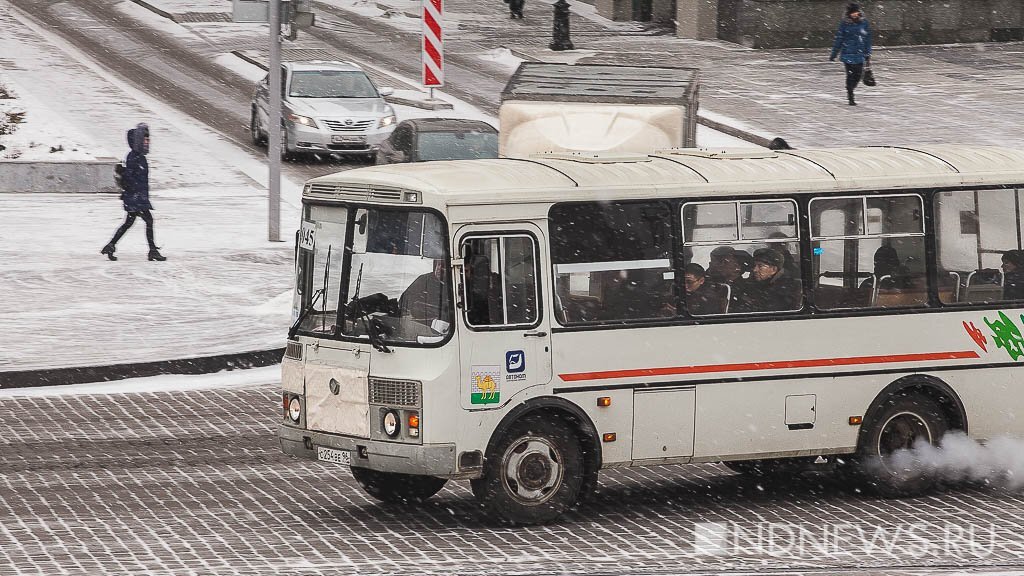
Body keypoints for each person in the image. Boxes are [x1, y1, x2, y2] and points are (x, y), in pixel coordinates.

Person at [101, 123, 166, 261]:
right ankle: (152, 251)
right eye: (145, 140)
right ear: (139, 140)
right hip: (135, 198)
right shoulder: (134, 157)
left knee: (129, 223)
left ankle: (111, 245)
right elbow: (130, 179)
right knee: (147, 221)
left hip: (138, 197)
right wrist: (134, 194)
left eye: (148, 140)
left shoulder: (139, 157)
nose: (147, 142)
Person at [732, 248, 802, 313]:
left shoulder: (788, 288)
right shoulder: (755, 281)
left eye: (760, 266)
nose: (755, 270)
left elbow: (769, 310)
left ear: (773, 270)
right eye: (754, 265)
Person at [829, 3, 872, 106]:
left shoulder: (864, 23)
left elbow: (867, 39)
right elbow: (839, 39)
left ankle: (850, 88)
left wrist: (868, 52)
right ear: (849, 13)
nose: (854, 14)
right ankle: (850, 95)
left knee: (858, 75)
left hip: (859, 53)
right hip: (847, 53)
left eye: (856, 12)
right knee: (850, 75)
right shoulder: (844, 24)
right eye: (852, 13)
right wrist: (834, 53)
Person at [398, 258, 451, 329]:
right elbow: (404, 302)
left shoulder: (461, 283)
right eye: (438, 264)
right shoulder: (423, 280)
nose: (439, 269)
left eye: (444, 266)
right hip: (427, 327)